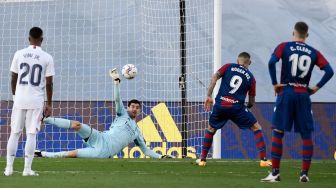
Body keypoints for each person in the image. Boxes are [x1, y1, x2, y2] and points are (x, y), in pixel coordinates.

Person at [35, 68, 172, 160]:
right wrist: (116, 83)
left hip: (104, 152)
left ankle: (42, 154)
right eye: (132, 106)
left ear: (140, 111)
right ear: (128, 108)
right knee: (77, 125)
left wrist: (161, 157)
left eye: (137, 107)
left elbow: (146, 151)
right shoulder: (122, 114)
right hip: (100, 137)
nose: (134, 109)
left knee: (73, 154)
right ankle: (44, 119)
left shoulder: (137, 131)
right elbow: (117, 100)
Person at [261, 21, 334, 183]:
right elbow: (329, 71)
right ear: (306, 35)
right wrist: (316, 88)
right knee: (306, 135)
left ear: (293, 33)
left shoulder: (284, 46)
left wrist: (274, 83)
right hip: (303, 94)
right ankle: (304, 175)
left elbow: (272, 62)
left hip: (286, 92)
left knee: (278, 132)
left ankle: (275, 173)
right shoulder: (313, 52)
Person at [196, 52, 271, 167]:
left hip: (221, 105)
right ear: (249, 63)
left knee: (211, 129)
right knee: (256, 127)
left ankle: (202, 160)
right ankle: (263, 160)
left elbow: (215, 77)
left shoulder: (228, 67)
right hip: (237, 108)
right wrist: (245, 109)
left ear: (237, 61)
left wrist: (209, 95)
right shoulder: (251, 77)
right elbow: (251, 101)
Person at [4, 27, 55, 176]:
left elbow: (13, 77)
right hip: (36, 100)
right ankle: (27, 169)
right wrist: (49, 103)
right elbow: (49, 83)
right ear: (42, 39)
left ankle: (9, 168)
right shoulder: (47, 57)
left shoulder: (19, 54)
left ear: (29, 39)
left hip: (19, 98)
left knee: (15, 132)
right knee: (31, 133)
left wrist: (15, 95)